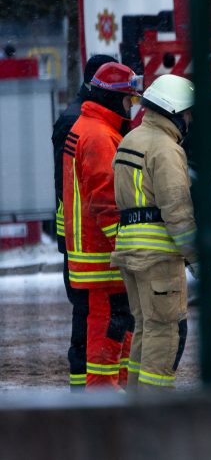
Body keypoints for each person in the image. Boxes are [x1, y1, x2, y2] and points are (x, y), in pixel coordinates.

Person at [112, 74, 196, 391]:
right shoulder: (166, 149)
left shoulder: (129, 140)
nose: (188, 120)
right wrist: (196, 256)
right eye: (187, 113)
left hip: (130, 253)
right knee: (165, 329)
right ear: (174, 110)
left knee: (145, 327)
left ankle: (136, 401)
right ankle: (156, 406)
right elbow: (177, 210)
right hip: (158, 255)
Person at [62, 62, 140, 389]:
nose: (131, 109)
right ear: (112, 98)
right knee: (106, 336)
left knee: (115, 330)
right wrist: (129, 250)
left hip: (94, 258)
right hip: (101, 262)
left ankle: (113, 394)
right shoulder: (98, 136)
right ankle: (103, 401)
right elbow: (107, 203)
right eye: (128, 101)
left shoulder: (91, 127)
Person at [52, 53, 116, 390]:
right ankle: (84, 389)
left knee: (92, 317)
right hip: (84, 240)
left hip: (79, 236)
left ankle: (85, 387)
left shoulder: (77, 118)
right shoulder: (83, 124)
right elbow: (78, 189)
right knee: (90, 317)